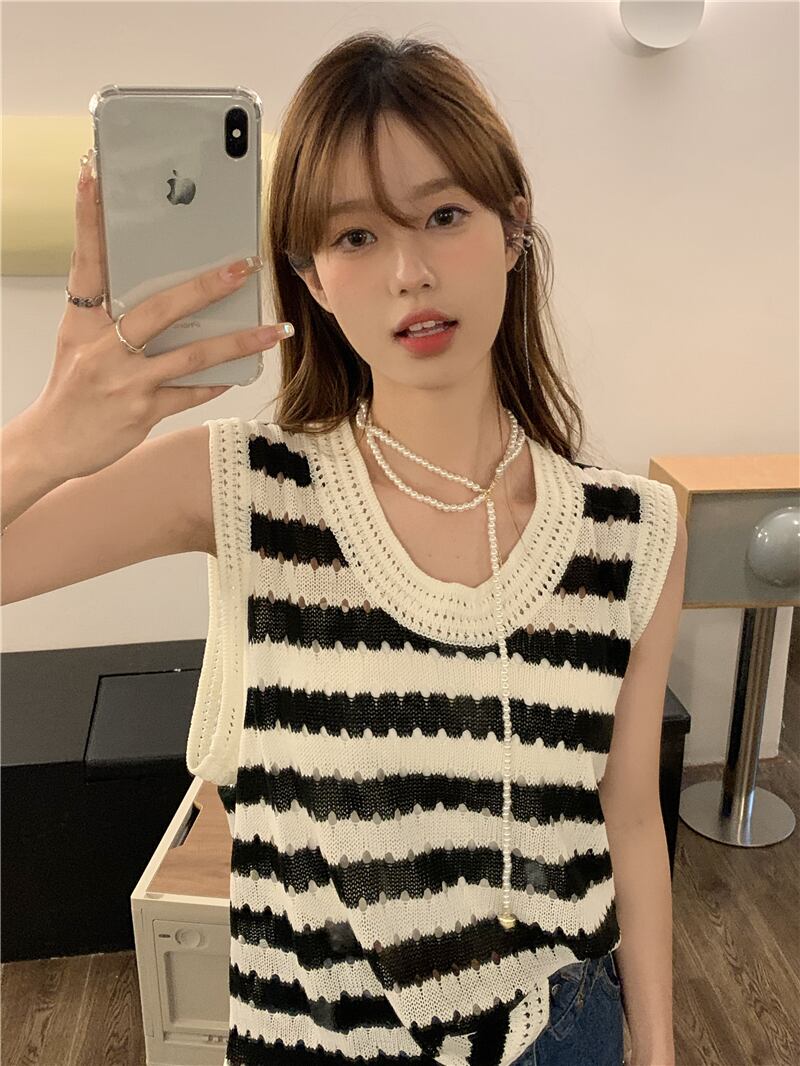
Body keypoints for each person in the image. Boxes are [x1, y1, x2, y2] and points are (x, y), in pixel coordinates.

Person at [1, 31, 685, 1066]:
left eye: (444, 215)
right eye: (355, 236)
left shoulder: (631, 531)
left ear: (512, 228)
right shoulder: (244, 485)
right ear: (311, 279)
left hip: (560, 1029)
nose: (410, 272)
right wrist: (47, 439)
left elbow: (628, 820)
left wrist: (657, 1049)